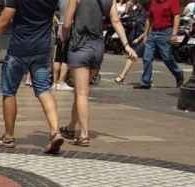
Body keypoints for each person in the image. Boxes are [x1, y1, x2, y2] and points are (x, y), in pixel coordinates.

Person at [0, 0, 65, 154]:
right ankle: (55, 131)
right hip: (42, 49)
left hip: (19, 49)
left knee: (9, 91)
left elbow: (5, 19)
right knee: (44, 89)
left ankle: (9, 137)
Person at [61, 0, 137, 146]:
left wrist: (63, 39)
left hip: (80, 45)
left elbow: (66, 24)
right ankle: (71, 127)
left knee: (82, 93)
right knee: (80, 92)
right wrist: (127, 46)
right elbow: (116, 20)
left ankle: (83, 135)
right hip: (97, 48)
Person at [134, 0, 183, 88]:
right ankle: (146, 82)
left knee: (167, 58)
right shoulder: (153, 1)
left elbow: (176, 16)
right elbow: (149, 18)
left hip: (166, 32)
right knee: (147, 57)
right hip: (153, 32)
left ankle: (178, 74)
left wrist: (174, 34)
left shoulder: (173, 1)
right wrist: (145, 34)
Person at [116, 0, 149, 82]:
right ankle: (148, 77)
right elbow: (128, 14)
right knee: (147, 58)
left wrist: (139, 38)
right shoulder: (138, 9)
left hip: (143, 37)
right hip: (134, 35)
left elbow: (148, 29)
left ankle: (122, 76)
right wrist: (129, 6)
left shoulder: (149, 12)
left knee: (132, 56)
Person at [53, 0, 72, 90]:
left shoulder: (60, 1)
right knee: (65, 57)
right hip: (69, 27)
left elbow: (52, 12)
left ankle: (54, 82)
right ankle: (61, 82)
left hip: (60, 27)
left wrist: (59, 22)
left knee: (58, 56)